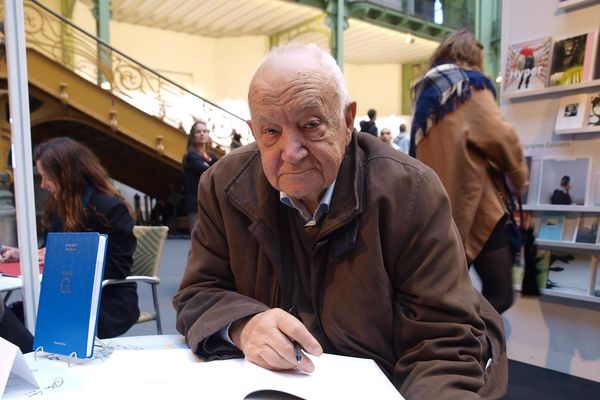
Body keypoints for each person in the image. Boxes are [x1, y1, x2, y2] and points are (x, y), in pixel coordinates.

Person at [173, 43, 507, 399]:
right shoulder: (225, 186)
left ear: (348, 121)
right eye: (271, 132)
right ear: (254, 131)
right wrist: (243, 325)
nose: (292, 152)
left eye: (311, 125)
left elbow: (443, 342)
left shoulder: (409, 192)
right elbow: (197, 294)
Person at [409, 29, 529, 314]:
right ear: (472, 55)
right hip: (474, 205)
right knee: (499, 295)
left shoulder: (427, 90)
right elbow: (500, 136)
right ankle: (472, 351)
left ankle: (462, 347)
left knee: (445, 296)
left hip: (435, 208)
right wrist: (519, 177)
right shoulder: (470, 86)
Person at [4, 137, 140, 339]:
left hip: (104, 302)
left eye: (47, 177)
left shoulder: (110, 208)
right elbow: (48, 250)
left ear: (68, 175)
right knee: (8, 319)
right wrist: (25, 254)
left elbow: (116, 267)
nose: (42, 185)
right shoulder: (60, 206)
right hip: (64, 295)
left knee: (13, 324)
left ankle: (33, 366)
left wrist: (61, 257)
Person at [183, 120, 218, 230]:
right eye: (198, 132)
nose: (202, 134)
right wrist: (209, 166)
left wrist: (209, 165)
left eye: (204, 131)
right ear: (193, 136)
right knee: (197, 241)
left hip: (211, 203)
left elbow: (221, 170)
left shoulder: (211, 155)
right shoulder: (191, 155)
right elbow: (207, 170)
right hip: (196, 204)